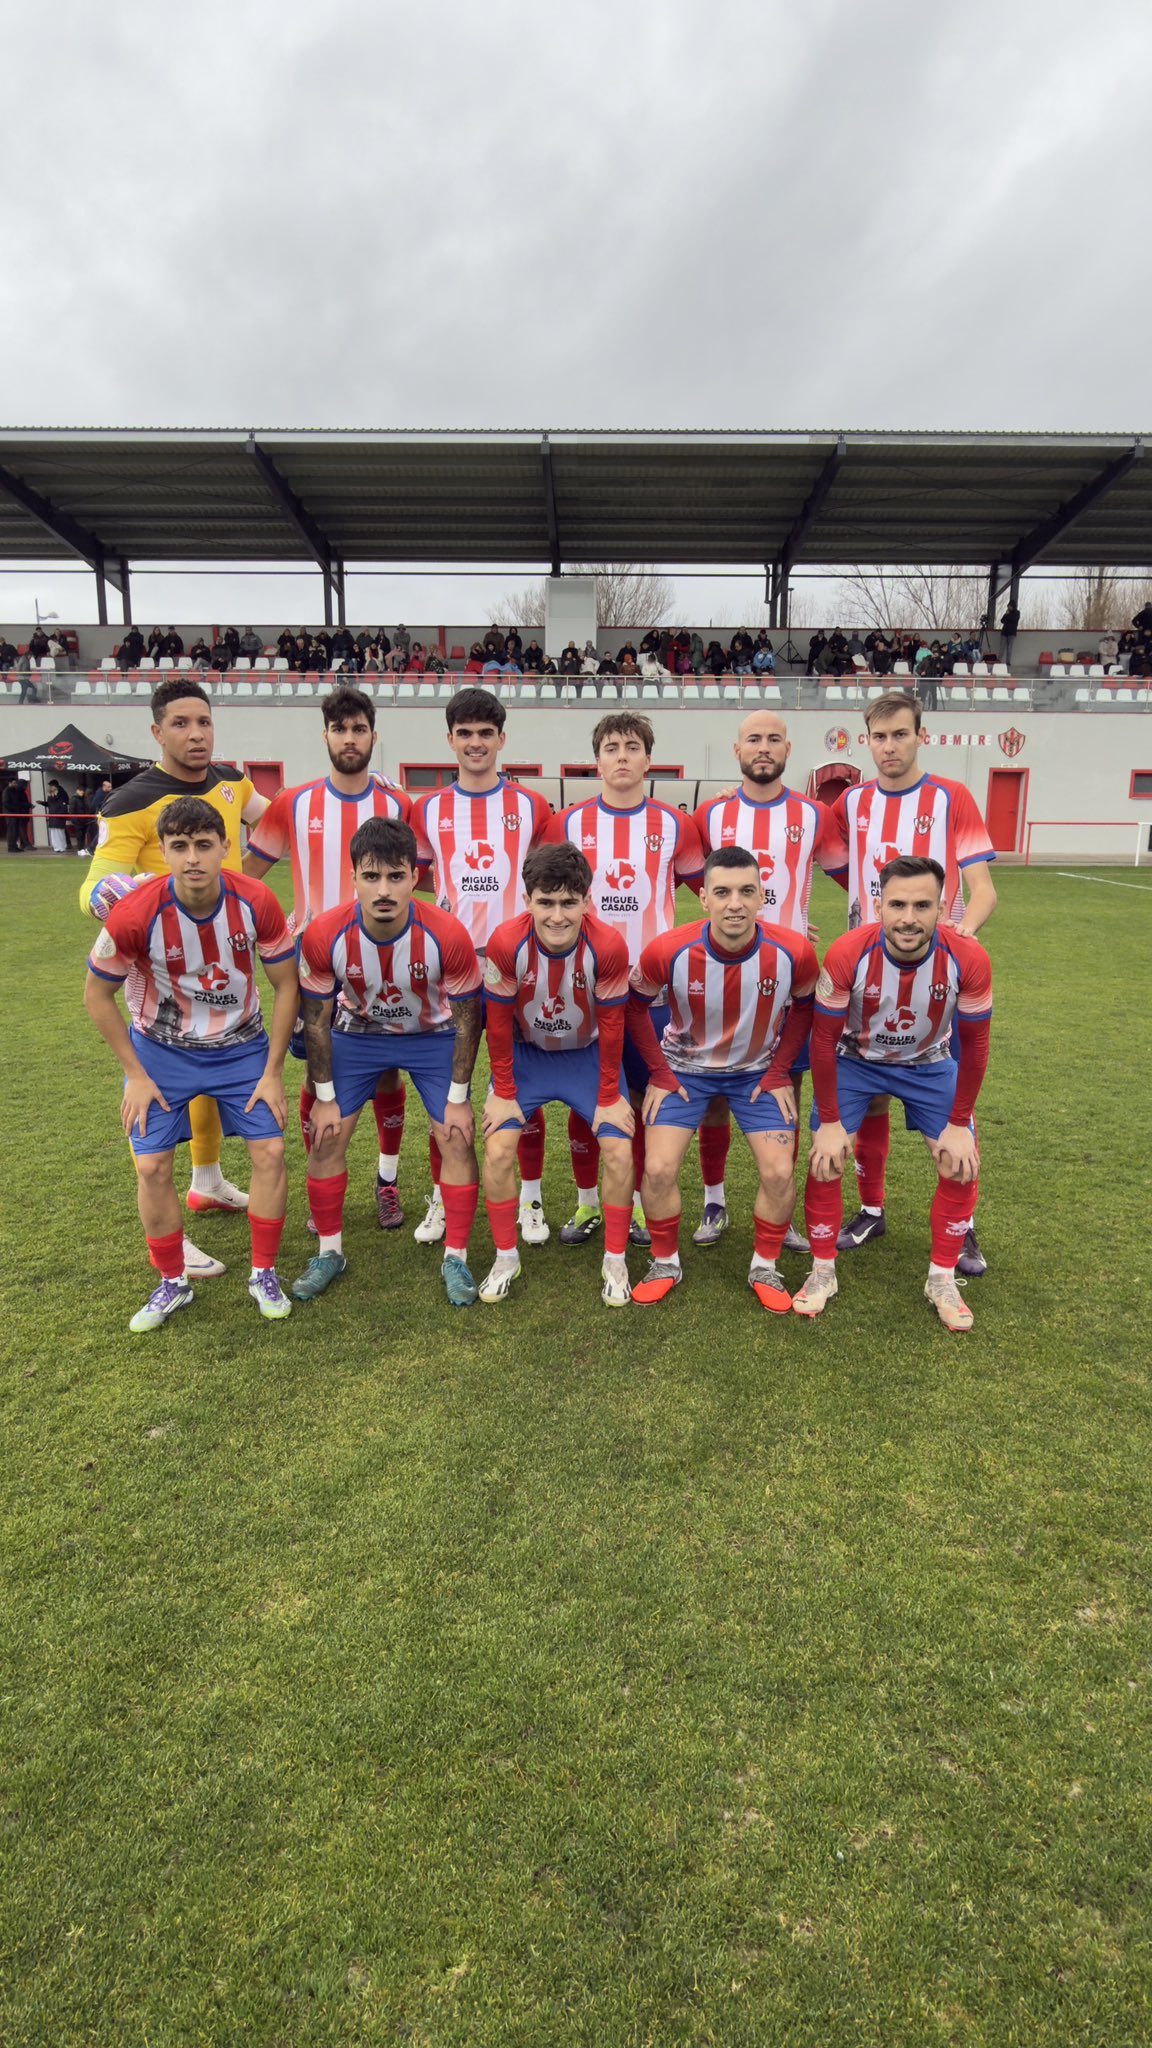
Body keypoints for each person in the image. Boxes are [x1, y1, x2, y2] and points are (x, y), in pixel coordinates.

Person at [79, 677, 270, 1281]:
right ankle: (172, 1242)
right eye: (182, 724)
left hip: (230, 958)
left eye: (205, 722)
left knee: (217, 1062)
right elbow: (93, 889)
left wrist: (250, 878)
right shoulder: (130, 801)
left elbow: (275, 823)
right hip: (161, 970)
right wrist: (146, 911)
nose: (196, 735)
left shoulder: (233, 782)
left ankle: (208, 1181)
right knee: (172, 1078)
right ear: (157, 732)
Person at [83, 798, 299, 1332]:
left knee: (270, 1152)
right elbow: (96, 995)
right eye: (179, 847)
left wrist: (272, 1070)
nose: (192, 858)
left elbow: (286, 984)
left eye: (204, 845)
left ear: (226, 847)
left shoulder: (256, 901)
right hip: (162, 1054)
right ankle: (172, 1282)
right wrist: (136, 1074)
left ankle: (263, 1272)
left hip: (242, 1049)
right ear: (164, 851)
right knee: (153, 1166)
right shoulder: (136, 912)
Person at [822, 690, 995, 1277]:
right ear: (865, 740)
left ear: (921, 735)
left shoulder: (953, 797)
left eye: (900, 734)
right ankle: (872, 1209)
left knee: (943, 1094)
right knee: (866, 1091)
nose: (889, 746)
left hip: (931, 971)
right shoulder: (852, 803)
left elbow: (984, 889)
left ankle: (964, 1228)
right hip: (863, 970)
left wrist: (958, 937)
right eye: (879, 736)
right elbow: (828, 861)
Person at [793, 855, 991, 1333]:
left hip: (928, 1064)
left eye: (922, 905)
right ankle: (822, 1271)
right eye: (898, 904)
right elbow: (822, 1041)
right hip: (854, 1061)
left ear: (942, 908)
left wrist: (960, 1122)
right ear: (878, 906)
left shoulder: (968, 957)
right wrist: (832, 1122)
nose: (908, 917)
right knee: (826, 1157)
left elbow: (978, 1044)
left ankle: (941, 1279)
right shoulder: (846, 953)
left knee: (960, 1161)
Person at [243, 685, 415, 1230]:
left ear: (373, 736)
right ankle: (321, 1175)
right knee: (315, 1073)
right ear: (325, 736)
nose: (349, 738)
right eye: (339, 729)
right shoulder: (293, 802)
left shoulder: (398, 803)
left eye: (358, 729)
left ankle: (386, 1182)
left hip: (384, 958)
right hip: (314, 961)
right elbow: (249, 877)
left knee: (387, 1073)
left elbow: (417, 878)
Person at [293, 817, 484, 1307]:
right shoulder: (324, 934)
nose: (383, 889)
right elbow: (315, 1022)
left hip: (432, 1032)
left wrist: (460, 1099)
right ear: (353, 875)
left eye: (395, 876)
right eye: (371, 876)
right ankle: (329, 1253)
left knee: (458, 1137)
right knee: (326, 1135)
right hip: (359, 1032)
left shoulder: (447, 933)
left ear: (414, 878)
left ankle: (456, 1257)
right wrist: (326, 1097)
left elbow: (467, 1020)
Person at [625, 846, 818, 1312]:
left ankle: (764, 1265)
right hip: (685, 1071)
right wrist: (658, 1071)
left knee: (779, 1171)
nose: (736, 903)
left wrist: (778, 1072)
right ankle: (665, 1260)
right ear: (704, 899)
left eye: (747, 891)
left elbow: (806, 1007)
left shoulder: (793, 951)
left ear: (762, 897)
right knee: (656, 1169)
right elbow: (634, 1007)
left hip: (756, 1073)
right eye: (723, 892)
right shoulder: (668, 950)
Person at [543, 713, 706, 1248]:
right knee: (587, 1098)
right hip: (581, 986)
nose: (620, 756)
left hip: (651, 991)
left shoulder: (675, 825)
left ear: (647, 759)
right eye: (610, 747)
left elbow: (711, 893)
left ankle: (635, 1204)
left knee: (639, 1097)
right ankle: (588, 1204)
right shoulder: (565, 823)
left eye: (631, 747)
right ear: (597, 760)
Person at [691, 711, 840, 1249]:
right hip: (720, 973)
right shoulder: (710, 815)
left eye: (773, 739)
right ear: (737, 750)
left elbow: (853, 873)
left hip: (789, 977)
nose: (763, 747)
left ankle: (783, 1209)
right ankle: (714, 1201)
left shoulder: (816, 815)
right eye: (753, 739)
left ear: (788, 749)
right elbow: (697, 883)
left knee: (784, 1091)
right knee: (711, 1096)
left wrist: (797, 925)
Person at [410, 688, 554, 1247]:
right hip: (452, 967)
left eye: (485, 733)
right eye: (464, 733)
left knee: (522, 1084)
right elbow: (416, 875)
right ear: (450, 740)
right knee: (448, 1090)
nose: (475, 743)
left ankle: (532, 1199)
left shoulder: (531, 806)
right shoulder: (427, 809)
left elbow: (550, 880)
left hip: (518, 964)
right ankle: (445, 1198)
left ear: (501, 739)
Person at [480, 842, 635, 1308]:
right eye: (545, 902)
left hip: (586, 1057)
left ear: (588, 901)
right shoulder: (506, 942)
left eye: (569, 902)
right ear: (527, 900)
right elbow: (498, 1024)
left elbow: (612, 1028)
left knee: (619, 1148)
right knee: (498, 1148)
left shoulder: (608, 945)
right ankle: (506, 1257)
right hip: (527, 1057)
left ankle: (615, 1258)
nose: (557, 915)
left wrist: (609, 1094)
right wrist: (503, 1091)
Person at [3, 774, 30, 852]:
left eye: (16, 783)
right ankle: (11, 847)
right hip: (10, 814)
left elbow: (17, 802)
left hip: (15, 814)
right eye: (14, 783)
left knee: (15, 831)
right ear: (10, 783)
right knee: (11, 831)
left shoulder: (14, 791)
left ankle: (14, 846)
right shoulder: (7, 791)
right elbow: (6, 803)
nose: (15, 784)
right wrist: (14, 810)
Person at [46, 778, 70, 852]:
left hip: (58, 816)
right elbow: (50, 803)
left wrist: (60, 814)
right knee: (54, 832)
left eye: (51, 786)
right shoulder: (51, 795)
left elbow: (63, 805)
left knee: (59, 832)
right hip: (53, 815)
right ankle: (57, 847)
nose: (50, 788)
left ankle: (61, 846)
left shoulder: (61, 794)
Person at [999, 600, 1021, 667]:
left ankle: (1008, 661)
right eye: (1008, 606)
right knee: (1002, 647)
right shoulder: (1007, 612)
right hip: (1004, 632)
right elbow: (1002, 621)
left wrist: (1008, 616)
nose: (1009, 607)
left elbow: (1014, 620)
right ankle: (999, 660)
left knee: (1009, 648)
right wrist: (1006, 614)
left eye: (1010, 606)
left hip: (1012, 633)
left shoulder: (1017, 613)